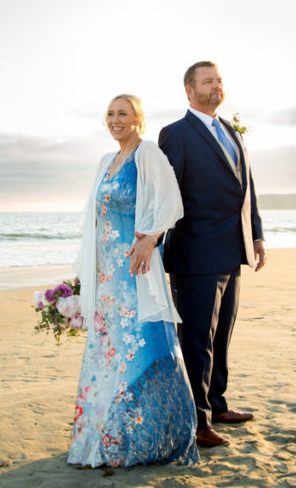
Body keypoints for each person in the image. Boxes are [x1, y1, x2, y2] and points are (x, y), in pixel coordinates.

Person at [68, 94, 199, 468]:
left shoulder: (148, 154)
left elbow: (171, 202)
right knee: (109, 350)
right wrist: (85, 269)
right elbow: (95, 219)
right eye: (110, 114)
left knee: (143, 343)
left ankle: (152, 438)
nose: (115, 120)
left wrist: (150, 239)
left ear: (138, 118)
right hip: (107, 276)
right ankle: (106, 435)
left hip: (135, 270)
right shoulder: (105, 162)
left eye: (122, 113)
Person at [158, 61, 266, 449]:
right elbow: (167, 195)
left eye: (219, 80)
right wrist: (151, 242)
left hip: (232, 250)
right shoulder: (175, 134)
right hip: (195, 254)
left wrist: (256, 235)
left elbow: (246, 187)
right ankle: (198, 420)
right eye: (208, 81)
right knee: (197, 340)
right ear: (189, 91)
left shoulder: (230, 131)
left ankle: (217, 405)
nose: (216, 85)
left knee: (221, 337)